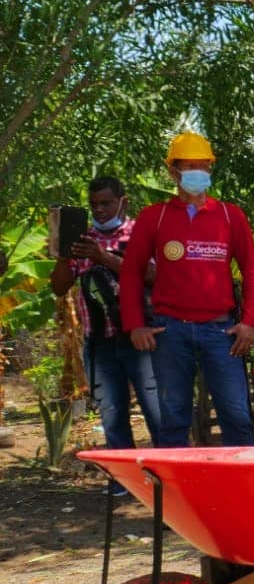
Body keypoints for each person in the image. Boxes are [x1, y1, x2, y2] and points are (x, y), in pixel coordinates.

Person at [119, 133, 254, 448]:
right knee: (172, 418)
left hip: (221, 331)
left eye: (203, 165)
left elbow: (252, 269)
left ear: (211, 168)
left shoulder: (229, 215)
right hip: (169, 330)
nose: (198, 172)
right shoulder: (153, 217)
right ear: (173, 171)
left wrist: (250, 321)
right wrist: (135, 325)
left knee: (237, 417)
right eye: (189, 166)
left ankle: (242, 489)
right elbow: (130, 272)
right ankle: (174, 493)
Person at [50, 177, 161, 493]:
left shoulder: (140, 232)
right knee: (112, 413)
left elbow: (153, 276)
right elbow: (59, 288)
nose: (99, 209)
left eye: (106, 203)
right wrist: (62, 254)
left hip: (140, 338)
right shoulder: (80, 240)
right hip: (99, 342)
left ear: (122, 202)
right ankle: (124, 482)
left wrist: (104, 257)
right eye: (94, 203)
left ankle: (168, 479)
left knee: (156, 411)